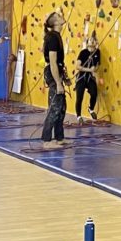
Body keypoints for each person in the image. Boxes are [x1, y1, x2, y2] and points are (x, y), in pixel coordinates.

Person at [41, 11, 69, 148]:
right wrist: (58, 83)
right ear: (55, 22)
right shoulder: (52, 37)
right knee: (55, 106)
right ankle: (46, 140)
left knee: (62, 107)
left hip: (57, 72)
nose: (62, 16)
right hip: (52, 74)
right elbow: (52, 62)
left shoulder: (56, 36)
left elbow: (57, 62)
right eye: (59, 15)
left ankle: (59, 137)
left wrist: (64, 78)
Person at [73, 35, 101, 123]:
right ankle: (78, 115)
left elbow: (97, 66)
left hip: (90, 77)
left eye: (94, 40)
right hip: (81, 77)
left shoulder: (97, 52)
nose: (92, 41)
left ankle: (91, 108)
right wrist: (89, 69)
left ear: (96, 43)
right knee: (79, 97)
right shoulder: (83, 52)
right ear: (87, 42)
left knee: (94, 93)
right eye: (90, 40)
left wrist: (94, 69)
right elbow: (78, 66)